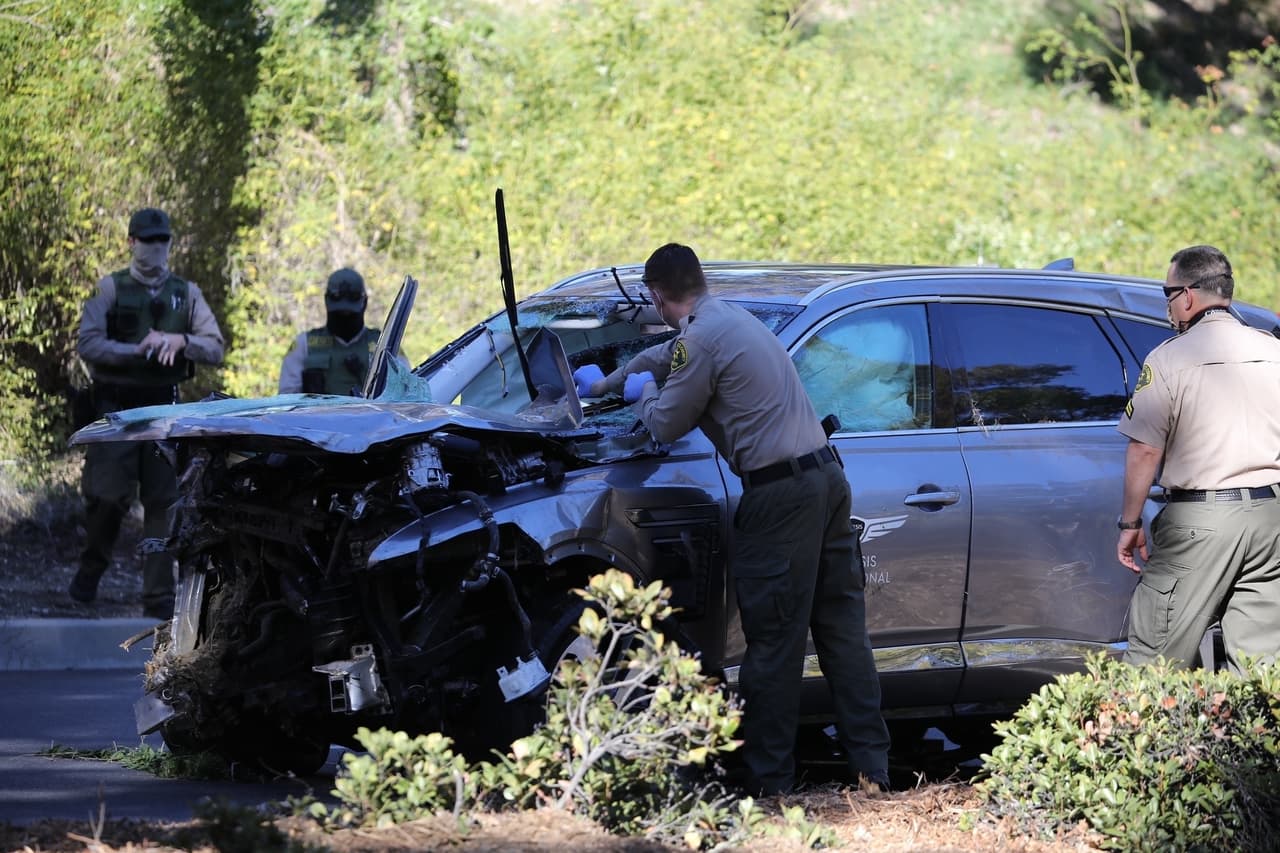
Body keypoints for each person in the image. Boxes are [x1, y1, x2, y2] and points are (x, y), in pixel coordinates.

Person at [573, 243, 891, 796]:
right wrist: (604, 383)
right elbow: (669, 355)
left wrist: (643, 396)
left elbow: (667, 423)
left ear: (655, 295)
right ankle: (874, 775)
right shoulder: (727, 320)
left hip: (780, 496)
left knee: (774, 645)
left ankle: (771, 788)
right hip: (827, 480)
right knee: (842, 634)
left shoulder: (699, 341)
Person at [1116, 244, 1280, 672]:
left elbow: (1144, 448)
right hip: (1271, 520)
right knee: (1261, 671)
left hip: (1202, 521)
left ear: (1187, 295)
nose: (1168, 305)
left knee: (1154, 664)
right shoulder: (1274, 351)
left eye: (1167, 294)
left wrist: (1130, 524)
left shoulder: (1170, 358)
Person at [71, 207, 225, 620]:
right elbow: (88, 343)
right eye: (148, 240)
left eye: (163, 241)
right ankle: (90, 571)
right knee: (106, 497)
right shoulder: (111, 288)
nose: (156, 249)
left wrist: (181, 340)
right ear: (131, 243)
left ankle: (158, 598)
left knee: (163, 503)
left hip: (163, 410)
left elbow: (216, 347)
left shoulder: (186, 292)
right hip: (117, 409)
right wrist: (135, 350)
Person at [278, 268, 381, 395]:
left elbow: (403, 396)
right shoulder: (304, 345)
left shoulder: (383, 345)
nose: (344, 318)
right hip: (317, 415)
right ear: (326, 301)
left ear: (364, 303)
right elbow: (287, 399)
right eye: (338, 313)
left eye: (350, 314)